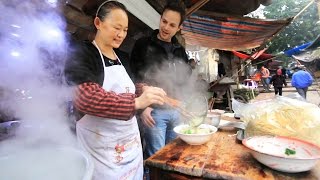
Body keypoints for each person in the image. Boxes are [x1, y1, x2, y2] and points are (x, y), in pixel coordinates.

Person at [64, 1, 167, 179]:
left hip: (131, 151)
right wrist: (136, 102)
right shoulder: (83, 53)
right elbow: (85, 97)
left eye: (125, 30)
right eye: (116, 27)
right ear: (98, 23)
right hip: (102, 155)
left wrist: (144, 91)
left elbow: (131, 88)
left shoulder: (123, 58)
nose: (121, 35)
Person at [130, 2, 190, 158]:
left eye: (172, 25)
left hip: (176, 111)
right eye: (164, 21)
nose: (166, 27)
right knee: (156, 157)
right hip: (154, 112)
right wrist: (143, 107)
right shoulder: (143, 45)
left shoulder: (180, 51)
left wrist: (185, 103)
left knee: (173, 156)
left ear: (179, 28)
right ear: (160, 18)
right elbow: (133, 76)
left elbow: (184, 80)